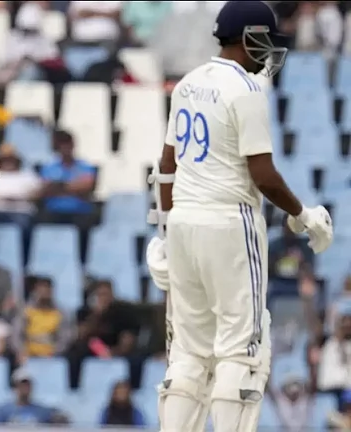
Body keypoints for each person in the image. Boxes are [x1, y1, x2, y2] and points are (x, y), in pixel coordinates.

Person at [144, 2, 335, 432]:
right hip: (229, 221)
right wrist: (303, 215)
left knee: (190, 351)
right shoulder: (247, 91)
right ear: (249, 37)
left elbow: (167, 164)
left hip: (185, 225)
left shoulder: (188, 84)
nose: (269, 51)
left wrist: (166, 229)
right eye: (265, 40)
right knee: (242, 349)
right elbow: (262, 174)